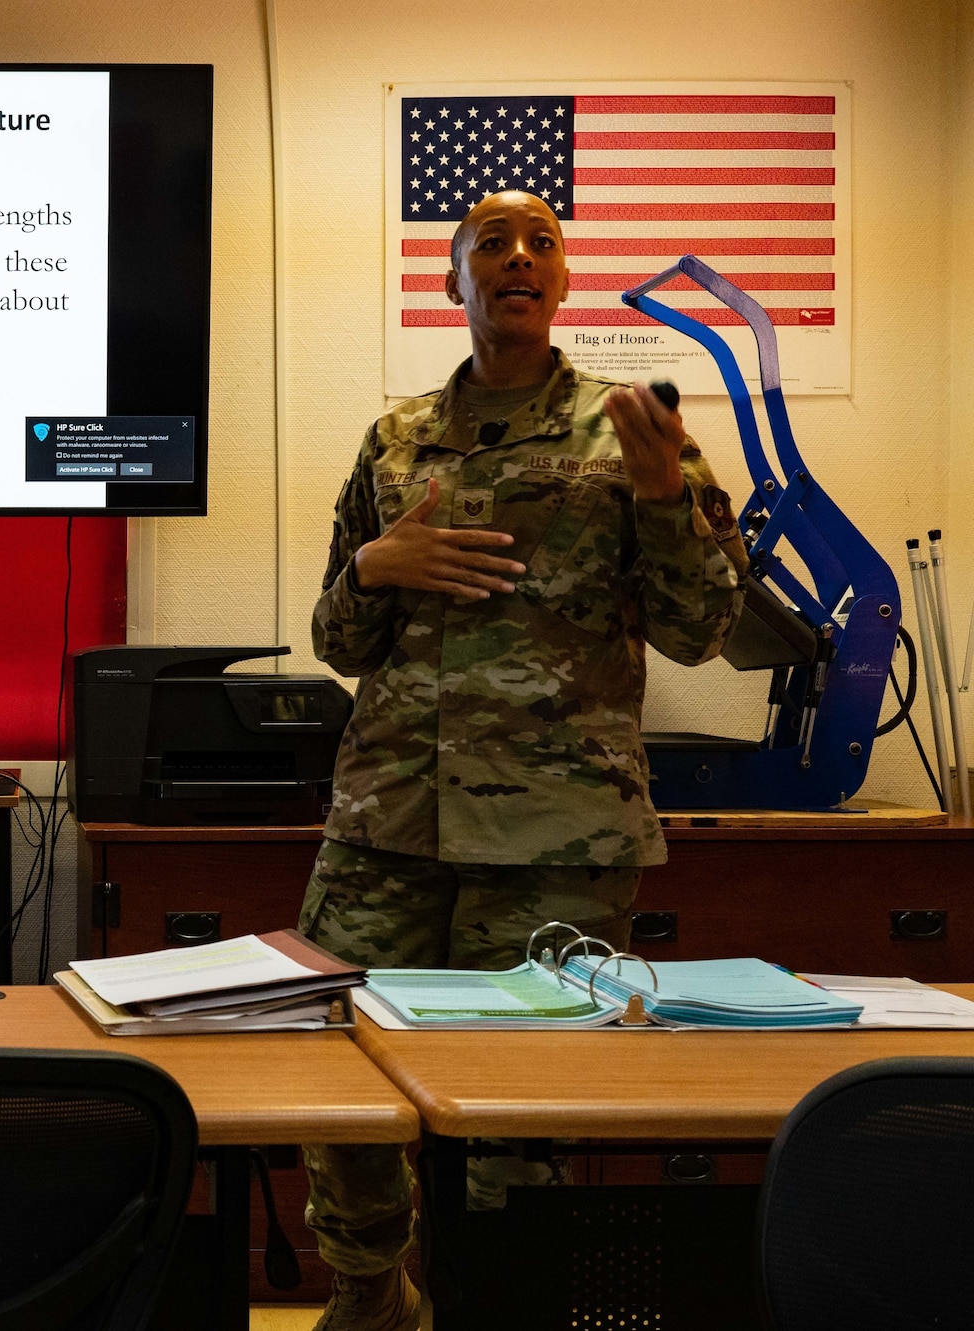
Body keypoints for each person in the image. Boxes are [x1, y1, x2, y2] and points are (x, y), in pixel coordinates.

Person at [300, 191, 748, 1331]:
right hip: (382, 822)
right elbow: (337, 640)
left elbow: (705, 630)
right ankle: (367, 1292)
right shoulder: (394, 438)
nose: (514, 257)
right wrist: (374, 564)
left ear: (559, 283)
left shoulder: (634, 428)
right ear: (452, 283)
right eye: (487, 245)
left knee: (511, 1110)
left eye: (538, 243)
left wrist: (659, 502)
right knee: (331, 1065)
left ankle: (493, 1305)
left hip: (552, 834)